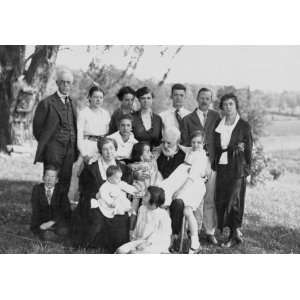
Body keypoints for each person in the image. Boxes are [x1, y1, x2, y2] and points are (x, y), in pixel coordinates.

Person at [73, 137, 133, 252]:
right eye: (105, 149)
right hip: (96, 202)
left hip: (116, 204)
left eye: (111, 148)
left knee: (120, 225)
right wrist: (95, 195)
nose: (109, 152)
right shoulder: (91, 169)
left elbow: (126, 189)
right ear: (100, 151)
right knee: (96, 219)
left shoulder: (124, 169)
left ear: (115, 149)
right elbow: (84, 190)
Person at [181, 87, 221, 245]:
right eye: (202, 98)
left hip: (211, 162)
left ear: (211, 100)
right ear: (197, 99)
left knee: (210, 197)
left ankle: (210, 230)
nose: (205, 101)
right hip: (195, 163)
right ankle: (195, 229)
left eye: (208, 98)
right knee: (195, 196)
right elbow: (184, 141)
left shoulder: (216, 117)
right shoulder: (187, 119)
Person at [213, 93, 253, 247]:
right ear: (222, 107)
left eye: (231, 104)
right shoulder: (219, 124)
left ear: (236, 106)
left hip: (237, 168)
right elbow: (217, 147)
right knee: (222, 200)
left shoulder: (244, 126)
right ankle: (235, 231)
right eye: (225, 105)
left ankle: (232, 235)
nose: (228, 107)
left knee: (233, 201)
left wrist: (248, 170)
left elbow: (249, 149)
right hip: (222, 166)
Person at [159, 130, 208, 253]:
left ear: (204, 143)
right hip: (181, 179)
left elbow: (192, 178)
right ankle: (167, 235)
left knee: (187, 210)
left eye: (199, 142)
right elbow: (180, 146)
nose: (196, 145)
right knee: (165, 198)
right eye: (193, 142)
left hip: (192, 185)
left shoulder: (201, 157)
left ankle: (195, 241)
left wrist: (179, 191)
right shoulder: (191, 150)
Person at [32, 68, 77, 195]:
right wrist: (50, 144)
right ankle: (47, 211)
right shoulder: (46, 103)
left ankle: (61, 211)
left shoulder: (73, 103)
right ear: (57, 83)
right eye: (63, 82)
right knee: (50, 181)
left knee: (65, 181)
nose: (66, 85)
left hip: (69, 150)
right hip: (53, 150)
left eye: (69, 82)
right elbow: (37, 129)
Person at [68, 86, 110, 203]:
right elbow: (80, 135)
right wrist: (84, 153)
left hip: (101, 148)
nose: (98, 100)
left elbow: (107, 134)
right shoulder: (84, 113)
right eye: (95, 97)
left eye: (100, 97)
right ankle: (74, 203)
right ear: (89, 98)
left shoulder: (105, 114)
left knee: (99, 177)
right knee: (79, 174)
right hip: (87, 145)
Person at [154, 127, 186, 249]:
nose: (165, 145)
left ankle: (174, 236)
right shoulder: (159, 153)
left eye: (169, 143)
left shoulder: (183, 156)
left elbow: (181, 177)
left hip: (176, 190)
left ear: (177, 142)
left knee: (178, 204)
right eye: (163, 142)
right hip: (160, 188)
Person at [116, 186, 171, 254]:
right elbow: (138, 226)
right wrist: (133, 239)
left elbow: (162, 235)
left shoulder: (163, 214)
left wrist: (147, 243)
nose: (143, 196)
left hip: (155, 243)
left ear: (154, 200)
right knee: (120, 251)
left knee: (133, 253)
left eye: (146, 195)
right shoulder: (142, 209)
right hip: (141, 240)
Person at [30, 165, 71, 241]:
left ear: (57, 180)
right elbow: (36, 210)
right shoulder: (37, 189)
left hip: (57, 221)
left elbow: (66, 210)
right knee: (46, 235)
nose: (49, 179)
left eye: (52, 177)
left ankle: (57, 236)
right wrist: (42, 225)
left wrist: (52, 222)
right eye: (47, 176)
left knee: (63, 231)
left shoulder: (61, 191)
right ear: (43, 178)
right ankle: (50, 235)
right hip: (42, 222)